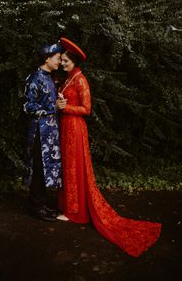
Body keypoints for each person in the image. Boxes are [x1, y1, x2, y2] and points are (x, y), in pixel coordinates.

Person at [57, 37, 162, 257]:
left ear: (74, 62)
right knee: (68, 167)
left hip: (75, 127)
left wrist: (66, 108)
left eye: (66, 60)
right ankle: (70, 206)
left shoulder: (80, 80)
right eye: (62, 60)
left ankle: (75, 213)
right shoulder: (68, 78)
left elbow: (86, 109)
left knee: (75, 167)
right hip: (65, 127)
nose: (62, 63)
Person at [23, 42, 66, 221]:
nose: (59, 62)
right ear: (47, 58)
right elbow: (28, 106)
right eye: (57, 58)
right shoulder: (35, 78)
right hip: (39, 132)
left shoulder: (50, 77)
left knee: (46, 169)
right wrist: (52, 107)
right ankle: (36, 207)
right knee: (39, 169)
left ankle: (42, 204)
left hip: (50, 132)